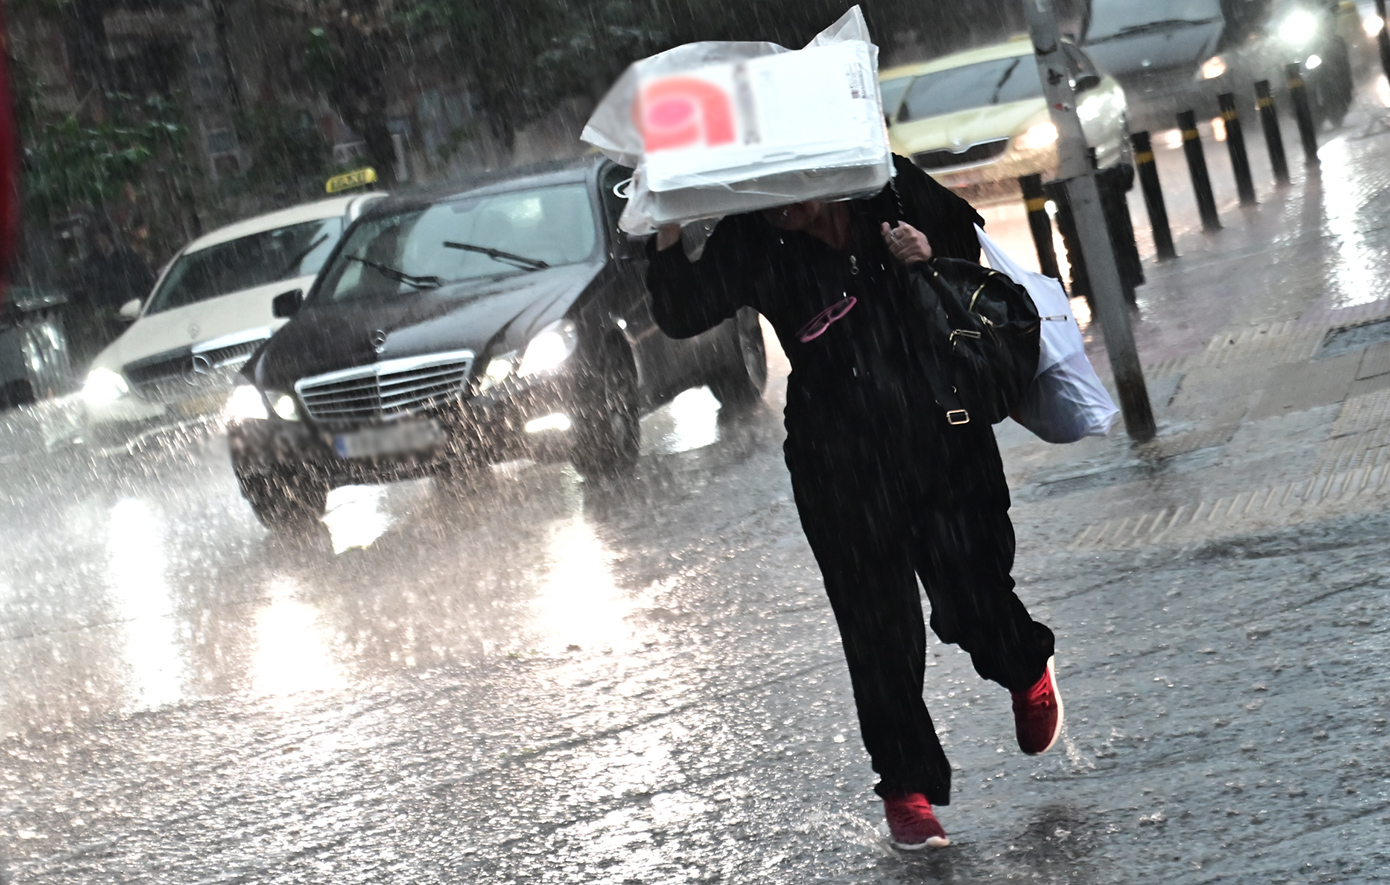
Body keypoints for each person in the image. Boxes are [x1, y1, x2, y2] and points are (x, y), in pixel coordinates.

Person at [644, 155, 1062, 850]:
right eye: (766, 199)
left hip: (940, 430)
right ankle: (906, 788)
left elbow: (969, 249)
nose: (781, 209)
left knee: (971, 597)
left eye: (790, 194)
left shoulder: (883, 182)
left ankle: (1024, 665)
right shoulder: (751, 233)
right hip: (837, 458)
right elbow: (682, 310)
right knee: (877, 630)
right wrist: (663, 230)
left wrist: (927, 252)